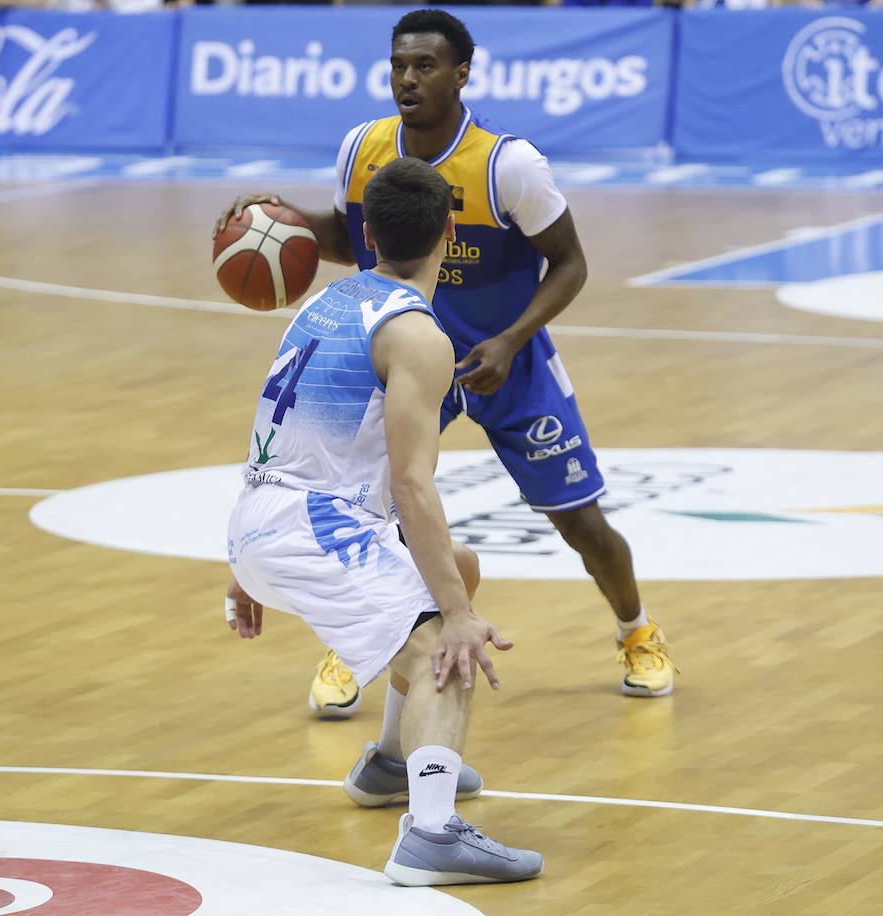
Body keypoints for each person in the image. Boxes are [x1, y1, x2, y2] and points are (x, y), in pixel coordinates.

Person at [214, 8, 677, 719]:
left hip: (505, 358)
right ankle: (367, 639)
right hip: (405, 356)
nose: (407, 78)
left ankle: (636, 630)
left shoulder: (507, 164)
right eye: (399, 65)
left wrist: (512, 339)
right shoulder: (363, 147)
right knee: (374, 511)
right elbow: (356, 237)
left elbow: (572, 263)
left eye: (424, 66)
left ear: (462, 73)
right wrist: (286, 220)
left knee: (580, 520)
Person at [224, 157, 542, 886]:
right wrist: (458, 618)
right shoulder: (418, 338)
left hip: (259, 515)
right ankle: (431, 835)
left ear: (365, 234)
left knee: (455, 567)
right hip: (313, 527)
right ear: (451, 233)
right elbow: (410, 482)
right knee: (444, 647)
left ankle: (393, 764)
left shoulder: (323, 304)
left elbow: (276, 436)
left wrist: (245, 564)